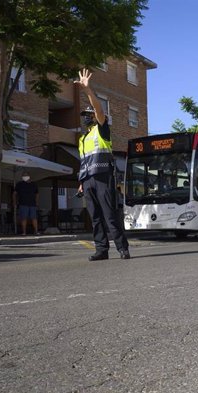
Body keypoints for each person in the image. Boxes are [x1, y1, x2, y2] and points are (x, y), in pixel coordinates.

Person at [74, 68, 130, 261]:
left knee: (109, 215)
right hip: (88, 180)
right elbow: (84, 162)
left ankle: (122, 248)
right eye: (85, 116)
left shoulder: (102, 129)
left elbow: (98, 109)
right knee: (95, 217)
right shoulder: (83, 139)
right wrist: (82, 181)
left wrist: (88, 90)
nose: (86, 118)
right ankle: (101, 249)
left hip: (104, 178)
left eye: (88, 115)